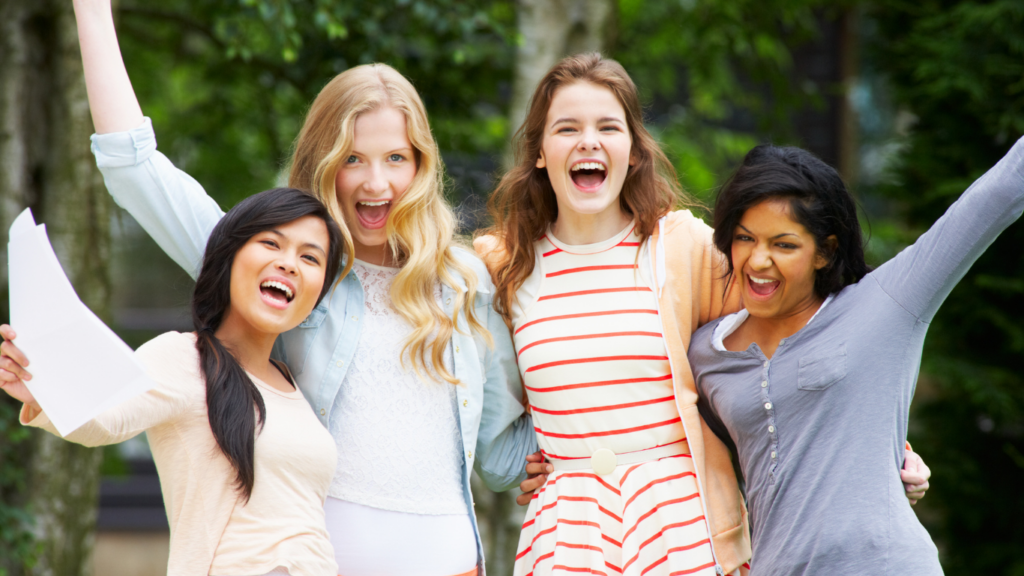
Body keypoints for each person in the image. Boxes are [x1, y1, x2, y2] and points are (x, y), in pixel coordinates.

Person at [24, 1, 537, 574]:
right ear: (324, 161)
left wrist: (575, 448)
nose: (376, 182)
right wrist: (93, 14)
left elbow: (499, 456)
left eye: (396, 158)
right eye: (353, 159)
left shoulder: (466, 282)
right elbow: (134, 170)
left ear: (421, 165)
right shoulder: (292, 271)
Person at [477, 52, 934, 576]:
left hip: (682, 525)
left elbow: (794, 341)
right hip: (566, 532)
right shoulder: (500, 264)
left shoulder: (681, 246)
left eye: (609, 126)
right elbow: (484, 401)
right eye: (567, 128)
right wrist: (533, 458)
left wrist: (887, 444)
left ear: (632, 150)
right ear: (539, 150)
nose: (589, 141)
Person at [687, 139, 1024, 574]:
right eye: (744, 238)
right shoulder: (706, 353)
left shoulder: (887, 304)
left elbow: (995, 196)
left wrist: (890, 452)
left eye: (784, 245)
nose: (758, 260)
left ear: (824, 252)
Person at [1, 188, 345, 575]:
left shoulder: (291, 383)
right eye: (270, 243)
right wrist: (44, 389)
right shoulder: (186, 358)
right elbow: (105, 419)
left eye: (310, 257)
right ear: (230, 255)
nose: (290, 264)